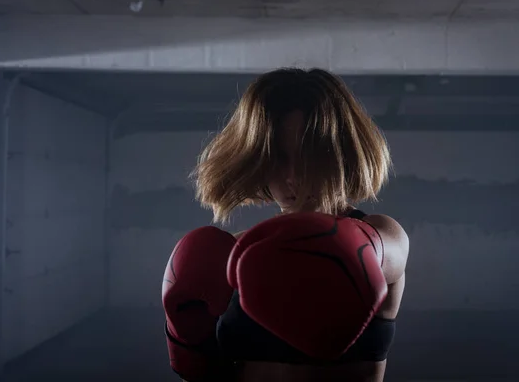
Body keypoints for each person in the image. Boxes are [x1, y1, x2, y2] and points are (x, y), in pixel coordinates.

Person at [162, 68, 409, 382]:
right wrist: (188, 342)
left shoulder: (380, 235)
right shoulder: (232, 255)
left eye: (309, 155)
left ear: (340, 153)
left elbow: (375, 254)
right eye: (278, 157)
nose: (293, 176)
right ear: (258, 160)